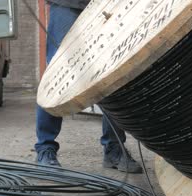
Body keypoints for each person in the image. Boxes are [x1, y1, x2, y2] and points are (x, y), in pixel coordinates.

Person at [35, 0, 143, 173]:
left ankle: (114, 149)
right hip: (67, 5)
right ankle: (45, 148)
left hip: (107, 5)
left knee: (112, 71)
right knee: (57, 74)